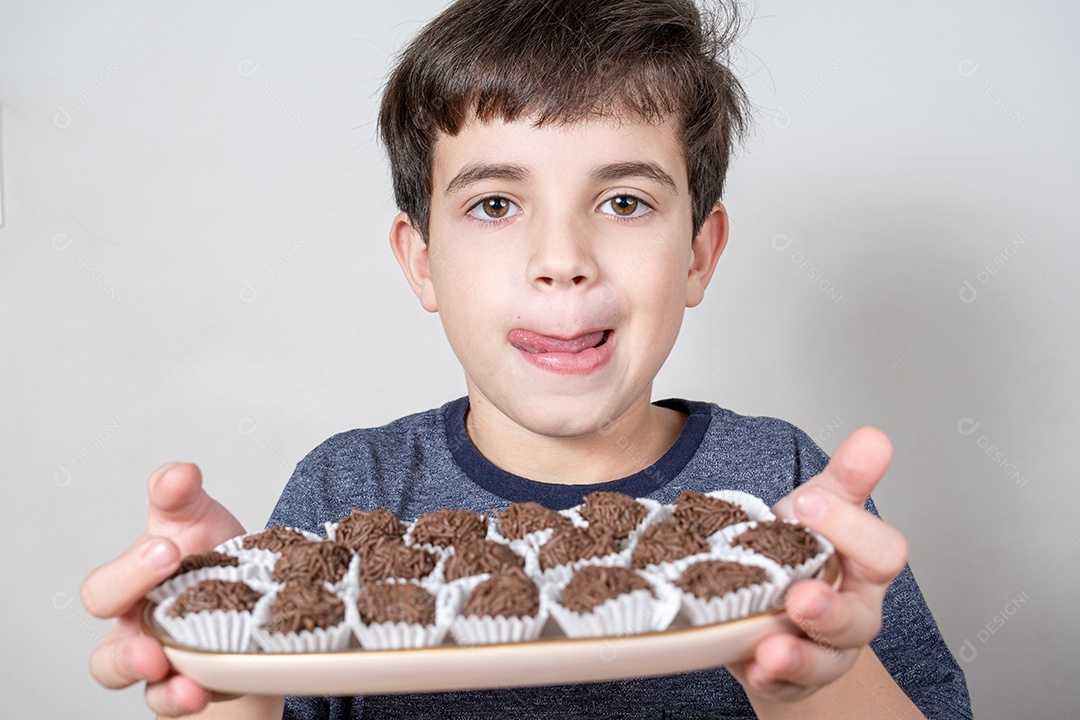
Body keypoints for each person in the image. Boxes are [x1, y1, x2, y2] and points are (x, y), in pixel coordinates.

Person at [81, 0, 972, 717]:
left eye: (624, 201)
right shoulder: (347, 490)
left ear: (699, 254)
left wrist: (817, 682)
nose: (561, 258)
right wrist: (227, 654)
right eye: (497, 205)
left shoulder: (784, 486)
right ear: (420, 259)